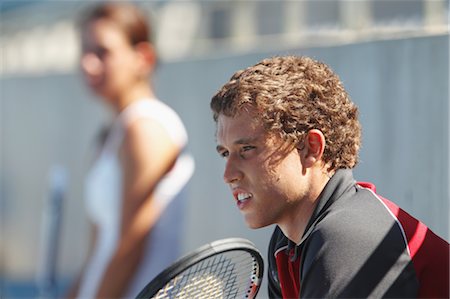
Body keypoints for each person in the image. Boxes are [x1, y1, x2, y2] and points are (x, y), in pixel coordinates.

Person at [210, 55, 449, 298]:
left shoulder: (347, 240)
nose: (228, 175)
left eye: (247, 149)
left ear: (311, 148)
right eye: (225, 153)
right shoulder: (286, 241)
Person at [66, 2, 194, 298]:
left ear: (143, 57)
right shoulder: (113, 134)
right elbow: (99, 252)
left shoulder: (145, 127)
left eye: (102, 52)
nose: (88, 63)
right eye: (84, 51)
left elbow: (130, 247)